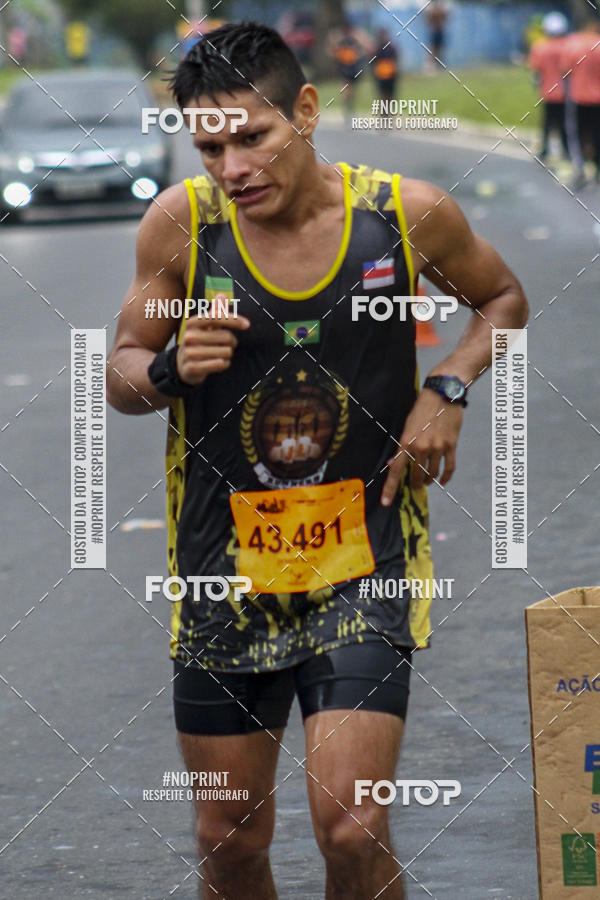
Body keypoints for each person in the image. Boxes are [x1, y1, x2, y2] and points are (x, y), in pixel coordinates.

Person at [106, 22, 528, 899]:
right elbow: (120, 372)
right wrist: (168, 368)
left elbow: (501, 298)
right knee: (228, 838)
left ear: (303, 112)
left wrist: (447, 388)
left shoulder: (403, 215)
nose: (232, 168)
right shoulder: (183, 225)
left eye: (251, 137)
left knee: (352, 824)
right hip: (224, 566)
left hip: (362, 558)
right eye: (210, 148)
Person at [560, 17, 600, 187]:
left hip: (579, 97)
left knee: (576, 135)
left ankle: (580, 169)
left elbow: (565, 70)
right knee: (597, 133)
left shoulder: (572, 44)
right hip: (598, 99)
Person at [528, 12, 570, 162]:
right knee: (565, 123)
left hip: (548, 92)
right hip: (566, 92)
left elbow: (536, 72)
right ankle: (567, 151)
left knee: (547, 123)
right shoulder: (568, 47)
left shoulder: (539, 48)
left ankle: (545, 151)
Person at [328, 21, 371, 119]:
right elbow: (333, 52)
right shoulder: (340, 41)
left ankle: (350, 107)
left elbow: (364, 51)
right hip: (344, 69)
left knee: (353, 91)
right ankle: (347, 108)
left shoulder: (356, 41)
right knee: (346, 90)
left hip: (354, 69)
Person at [372, 27, 400, 106]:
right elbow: (374, 61)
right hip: (381, 74)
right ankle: (384, 110)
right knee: (382, 94)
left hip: (390, 74)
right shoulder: (377, 48)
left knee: (390, 94)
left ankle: (388, 109)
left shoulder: (391, 47)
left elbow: (395, 60)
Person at [425, 0, 450, 69]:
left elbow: (445, 18)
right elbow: (428, 21)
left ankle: (438, 64)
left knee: (439, 49)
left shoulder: (441, 11)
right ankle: (431, 64)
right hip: (434, 32)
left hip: (440, 32)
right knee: (433, 48)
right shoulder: (432, 12)